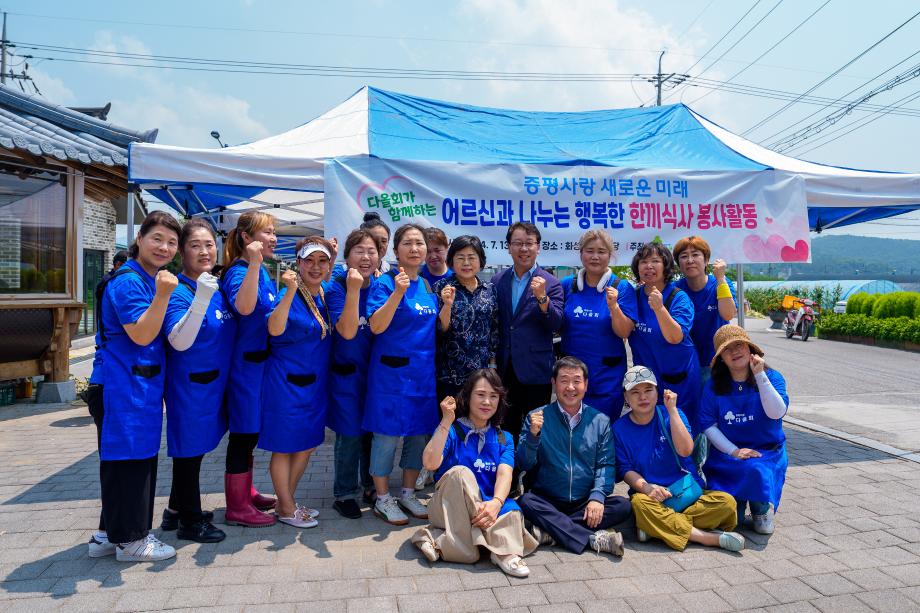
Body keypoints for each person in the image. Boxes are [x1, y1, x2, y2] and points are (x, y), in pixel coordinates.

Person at [86, 211, 181, 562]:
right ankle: (131, 541)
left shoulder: (144, 277)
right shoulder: (129, 282)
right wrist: (164, 295)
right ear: (139, 239)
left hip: (133, 386)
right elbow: (141, 333)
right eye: (157, 238)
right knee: (129, 461)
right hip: (121, 387)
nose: (164, 247)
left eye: (171, 242)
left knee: (125, 459)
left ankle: (106, 534)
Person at [412, 370, 537, 577]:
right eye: (480, 394)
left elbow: (505, 475)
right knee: (461, 473)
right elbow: (429, 463)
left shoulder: (504, 437)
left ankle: (442, 540)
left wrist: (496, 503)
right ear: (468, 396)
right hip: (448, 507)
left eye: (493, 396)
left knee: (512, 510)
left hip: (485, 509)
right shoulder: (452, 431)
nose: (487, 401)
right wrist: (446, 421)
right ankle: (501, 548)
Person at [613, 366, 744, 552]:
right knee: (639, 505)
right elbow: (626, 470)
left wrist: (672, 411)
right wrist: (648, 488)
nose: (643, 397)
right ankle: (707, 538)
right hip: (652, 497)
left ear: (657, 392)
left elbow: (685, 450)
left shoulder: (672, 414)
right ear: (626, 397)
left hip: (685, 494)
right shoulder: (618, 429)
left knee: (727, 503)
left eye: (648, 390)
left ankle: (656, 528)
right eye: (635, 392)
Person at [160, 220, 232, 543]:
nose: (204, 251)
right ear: (182, 252)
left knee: (197, 450)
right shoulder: (180, 290)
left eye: (209, 244)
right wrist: (201, 297)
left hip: (212, 386)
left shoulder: (214, 286)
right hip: (190, 387)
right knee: (188, 452)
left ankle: (175, 510)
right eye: (195, 245)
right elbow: (179, 340)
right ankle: (190, 522)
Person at [516, 357, 629, 557]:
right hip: (547, 499)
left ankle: (550, 531)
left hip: (584, 501)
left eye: (576, 381)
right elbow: (524, 463)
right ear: (554, 383)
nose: (570, 387)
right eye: (564, 380)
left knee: (623, 506)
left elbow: (606, 464)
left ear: (586, 385)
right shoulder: (537, 417)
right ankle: (592, 539)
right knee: (526, 501)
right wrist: (533, 437)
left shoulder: (600, 420)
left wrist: (597, 497)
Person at [365, 223, 438, 525]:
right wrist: (397, 292)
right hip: (391, 376)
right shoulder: (384, 284)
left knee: (418, 435)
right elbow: (376, 325)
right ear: (395, 251)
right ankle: (383, 498)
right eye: (407, 243)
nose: (414, 248)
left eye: (419, 243)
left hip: (422, 374)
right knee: (386, 435)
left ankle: (408, 493)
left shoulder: (428, 286)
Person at [259, 237, 333, 528]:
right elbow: (274, 329)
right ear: (298, 263)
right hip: (286, 384)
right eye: (309, 260)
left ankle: (285, 501)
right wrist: (289, 291)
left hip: (314, 385)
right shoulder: (288, 292)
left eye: (322, 261)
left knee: (307, 444)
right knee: (284, 446)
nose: (316, 267)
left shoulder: (323, 294)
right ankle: (287, 507)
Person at [219, 211, 279, 527]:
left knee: (251, 433)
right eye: (267, 232)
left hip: (260, 367)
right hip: (243, 368)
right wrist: (254, 263)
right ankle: (237, 506)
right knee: (243, 435)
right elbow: (244, 307)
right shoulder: (239, 272)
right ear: (246, 237)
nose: (273, 238)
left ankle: (247, 492)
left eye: (273, 232)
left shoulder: (262, 270)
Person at [700, 325, 789, 535]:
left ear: (750, 349)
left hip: (765, 452)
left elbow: (777, 412)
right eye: (727, 349)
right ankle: (739, 504)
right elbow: (708, 424)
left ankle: (761, 508)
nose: (734, 351)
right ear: (721, 358)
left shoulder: (772, 377)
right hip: (728, 455)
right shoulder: (713, 386)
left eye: (739, 345)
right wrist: (734, 451)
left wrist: (760, 376)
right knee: (733, 520)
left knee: (756, 470)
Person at [326, 229, 382, 519]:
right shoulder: (337, 287)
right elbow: (347, 331)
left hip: (376, 374)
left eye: (372, 251)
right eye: (359, 251)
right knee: (349, 434)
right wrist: (353, 289)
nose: (366, 257)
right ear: (347, 257)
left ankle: (370, 485)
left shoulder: (383, 286)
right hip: (347, 374)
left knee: (371, 432)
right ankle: (344, 493)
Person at [492, 222, 564, 438]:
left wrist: (543, 299)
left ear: (538, 247)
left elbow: (556, 324)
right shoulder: (498, 280)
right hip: (505, 370)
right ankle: (509, 462)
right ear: (509, 247)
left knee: (536, 432)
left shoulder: (551, 283)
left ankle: (533, 463)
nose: (523, 249)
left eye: (529, 243)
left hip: (536, 371)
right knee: (506, 431)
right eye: (517, 243)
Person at [560, 230, 637, 420]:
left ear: (610, 255)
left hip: (607, 379)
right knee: (571, 431)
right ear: (581, 254)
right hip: (572, 378)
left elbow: (624, 332)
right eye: (589, 251)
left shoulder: (621, 287)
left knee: (602, 430)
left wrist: (614, 307)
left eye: (601, 251)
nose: (595, 256)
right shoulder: (567, 285)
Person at [628, 242, 702, 430]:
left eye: (655, 261)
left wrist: (659, 308)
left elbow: (675, 337)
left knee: (682, 428)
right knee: (652, 429)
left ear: (666, 266)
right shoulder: (633, 297)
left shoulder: (678, 297)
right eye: (644, 262)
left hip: (679, 379)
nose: (649, 266)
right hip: (647, 381)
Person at [433, 235, 498, 403]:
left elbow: (494, 331)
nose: (466, 263)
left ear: (480, 260)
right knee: (450, 417)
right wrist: (447, 305)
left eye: (471, 257)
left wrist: (492, 365)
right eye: (460, 258)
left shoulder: (489, 290)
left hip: (481, 375)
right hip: (450, 375)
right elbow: (440, 330)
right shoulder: (441, 287)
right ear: (451, 261)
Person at [673, 236, 737, 374]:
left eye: (695, 255)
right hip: (686, 363)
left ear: (706, 260)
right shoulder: (674, 289)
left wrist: (721, 279)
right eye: (684, 256)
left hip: (718, 361)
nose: (690, 260)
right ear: (678, 263)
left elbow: (728, 314)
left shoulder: (721, 283)